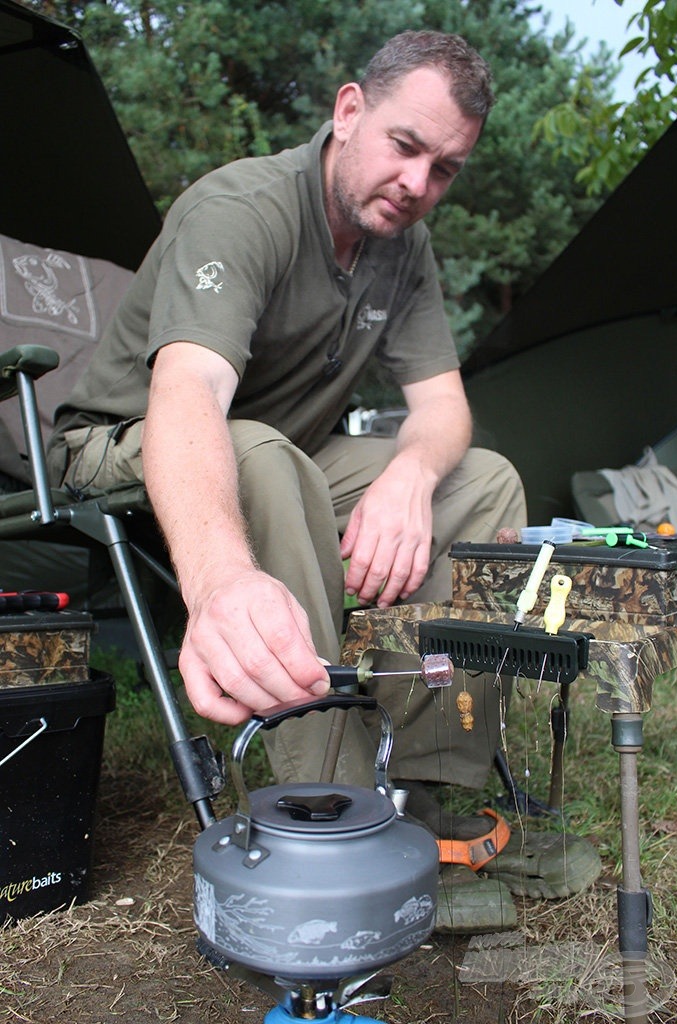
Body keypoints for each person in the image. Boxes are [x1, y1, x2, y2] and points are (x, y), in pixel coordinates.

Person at [48, 30, 527, 819]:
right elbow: (191, 391)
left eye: (443, 168)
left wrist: (408, 478)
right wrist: (221, 583)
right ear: (348, 111)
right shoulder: (242, 209)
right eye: (404, 145)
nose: (415, 184)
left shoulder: (403, 246)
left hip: (280, 450)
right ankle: (329, 801)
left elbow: (442, 406)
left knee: (481, 481)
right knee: (265, 456)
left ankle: (428, 778)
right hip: (124, 441)